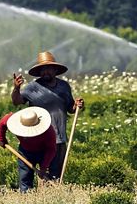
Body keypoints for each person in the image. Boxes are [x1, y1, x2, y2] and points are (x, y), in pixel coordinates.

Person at [11, 51, 83, 180]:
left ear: (55, 70)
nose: (45, 72)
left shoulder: (64, 86)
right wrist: (16, 88)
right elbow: (17, 101)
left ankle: (51, 196)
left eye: (48, 69)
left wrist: (78, 105)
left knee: (55, 175)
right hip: (40, 138)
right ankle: (36, 196)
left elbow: (70, 108)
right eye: (42, 70)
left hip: (59, 138)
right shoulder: (33, 87)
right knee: (40, 172)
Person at [0, 107, 58, 191]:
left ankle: (49, 195)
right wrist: (1, 139)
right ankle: (26, 197)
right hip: (25, 152)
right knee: (25, 179)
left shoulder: (49, 131)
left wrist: (44, 167)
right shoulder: (12, 120)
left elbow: (51, 149)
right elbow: (3, 122)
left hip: (44, 153)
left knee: (48, 178)